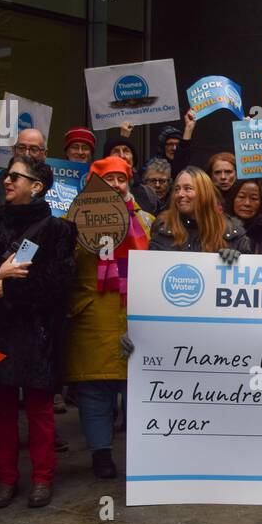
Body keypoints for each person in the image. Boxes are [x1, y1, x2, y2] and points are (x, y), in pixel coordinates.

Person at [0, 157, 77, 509]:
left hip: (38, 334)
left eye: (16, 177)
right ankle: (5, 480)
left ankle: (41, 479)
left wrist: (11, 290)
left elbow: (58, 284)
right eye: (8, 175)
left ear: (37, 186)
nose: (7, 181)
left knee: (39, 411)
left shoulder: (58, 230)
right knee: (1, 411)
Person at [63, 156, 154, 480]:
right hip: (93, 317)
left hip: (135, 317)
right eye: (107, 179)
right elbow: (62, 263)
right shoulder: (73, 219)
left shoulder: (147, 221)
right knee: (95, 391)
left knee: (138, 389)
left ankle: (141, 453)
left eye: (121, 179)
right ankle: (101, 453)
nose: (115, 185)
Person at [151, 166, 250, 255]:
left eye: (187, 188)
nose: (180, 194)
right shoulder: (163, 228)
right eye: (177, 189)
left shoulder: (231, 231)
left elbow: (248, 269)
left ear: (204, 193)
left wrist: (237, 261)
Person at [0, 128, 48, 211]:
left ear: (45, 154)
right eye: (21, 148)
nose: (26, 154)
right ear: (13, 150)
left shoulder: (58, 189)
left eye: (34, 149)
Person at [102, 132, 160, 215]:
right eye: (116, 151)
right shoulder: (97, 193)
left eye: (126, 151)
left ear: (133, 158)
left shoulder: (148, 194)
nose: (122, 156)